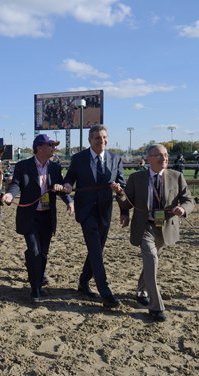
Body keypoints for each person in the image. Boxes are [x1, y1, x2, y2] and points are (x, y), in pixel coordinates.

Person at [114, 144, 195, 321]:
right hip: (144, 227)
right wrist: (120, 194)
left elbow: (189, 199)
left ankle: (141, 290)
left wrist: (183, 208)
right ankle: (156, 307)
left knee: (151, 262)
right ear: (149, 158)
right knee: (151, 260)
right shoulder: (137, 178)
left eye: (165, 155)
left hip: (165, 228)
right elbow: (126, 203)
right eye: (159, 155)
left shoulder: (177, 176)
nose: (164, 158)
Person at [2, 134, 74, 303]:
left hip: (48, 216)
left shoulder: (55, 168)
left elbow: (61, 187)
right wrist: (9, 195)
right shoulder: (22, 166)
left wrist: (69, 201)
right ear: (39, 147)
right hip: (30, 217)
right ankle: (35, 288)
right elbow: (16, 184)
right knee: (35, 250)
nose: (53, 148)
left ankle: (38, 282)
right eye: (51, 145)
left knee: (43, 253)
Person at [63, 125, 127, 308]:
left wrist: (123, 209)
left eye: (104, 137)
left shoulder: (115, 158)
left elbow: (122, 187)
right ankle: (105, 293)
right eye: (98, 138)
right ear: (90, 140)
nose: (102, 141)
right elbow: (69, 179)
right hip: (86, 211)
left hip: (105, 211)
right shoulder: (78, 159)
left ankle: (83, 282)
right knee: (96, 249)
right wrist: (67, 187)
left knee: (96, 249)